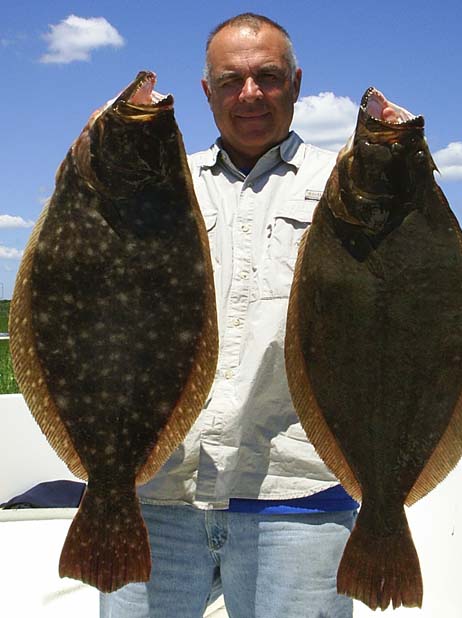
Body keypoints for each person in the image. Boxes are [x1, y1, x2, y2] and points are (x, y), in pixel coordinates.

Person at [101, 13, 359, 618]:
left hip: (297, 493)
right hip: (157, 488)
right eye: (231, 79)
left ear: (296, 83)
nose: (250, 94)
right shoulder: (160, 184)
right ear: (207, 92)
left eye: (268, 77)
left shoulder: (348, 185)